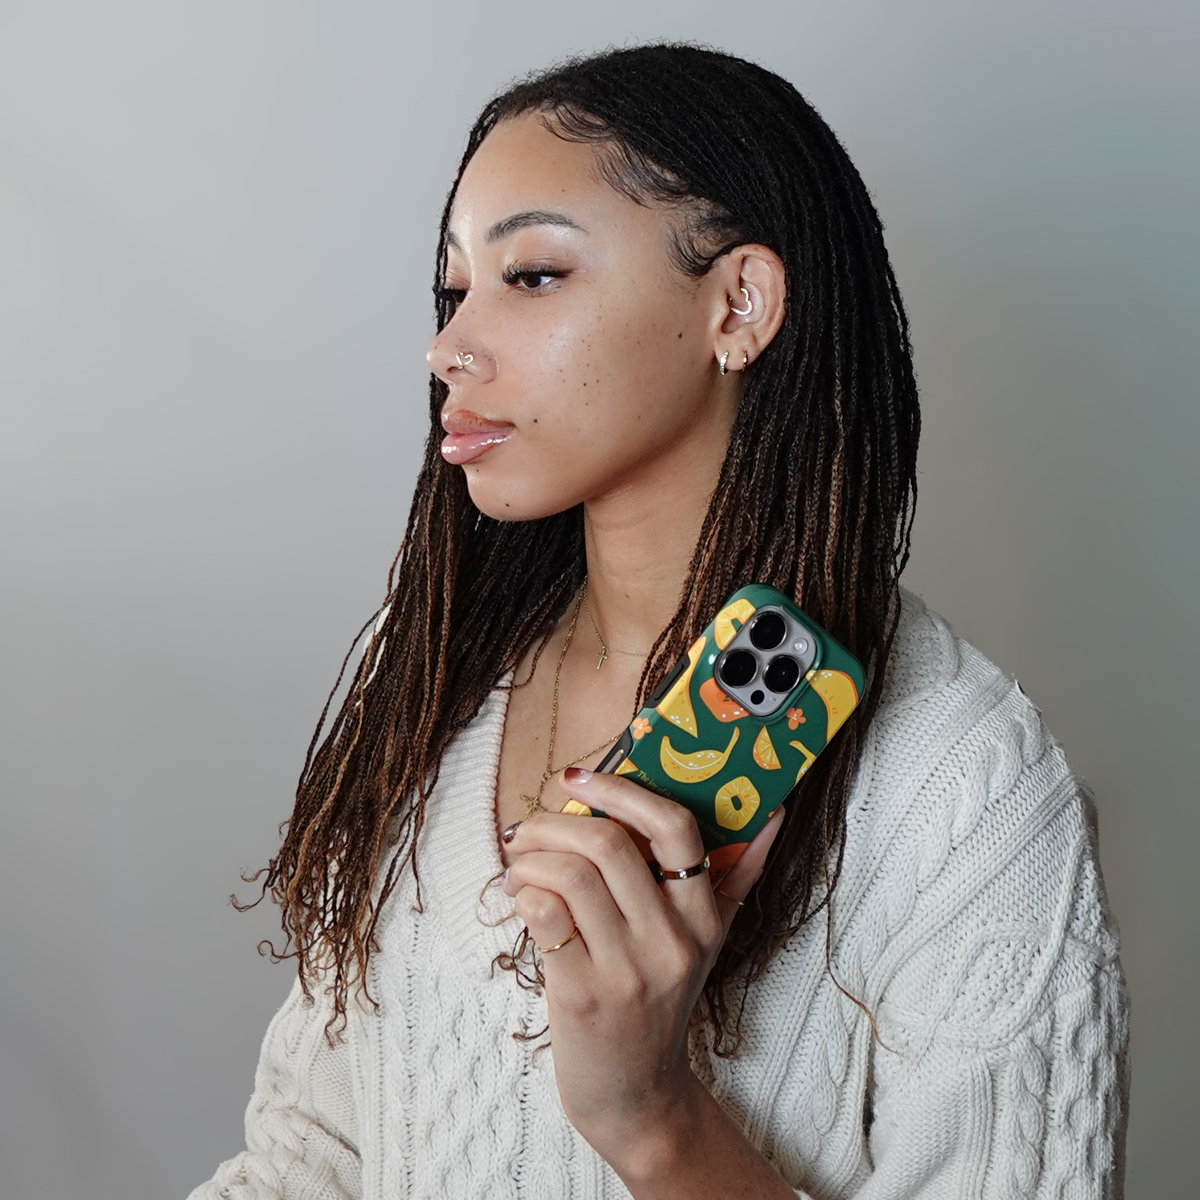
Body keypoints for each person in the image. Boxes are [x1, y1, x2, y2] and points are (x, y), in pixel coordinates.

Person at [190, 44, 1128, 1200]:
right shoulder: (439, 663)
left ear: (738, 304)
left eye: (533, 275)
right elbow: (309, 1154)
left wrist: (651, 1115)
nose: (447, 349)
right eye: (454, 289)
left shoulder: (964, 785)